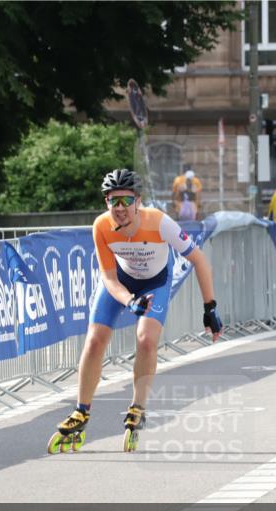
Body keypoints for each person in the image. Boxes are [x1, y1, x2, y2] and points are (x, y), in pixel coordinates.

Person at [47, 169, 222, 454]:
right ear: (106, 203)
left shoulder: (159, 223)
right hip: (121, 282)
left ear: (138, 201)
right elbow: (109, 278)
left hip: (155, 283)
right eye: (113, 201)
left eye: (126, 200)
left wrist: (209, 307)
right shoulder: (101, 226)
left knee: (146, 339)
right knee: (94, 340)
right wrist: (129, 300)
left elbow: (199, 260)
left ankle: (138, 407)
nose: (120, 208)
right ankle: (81, 411)